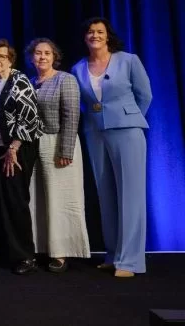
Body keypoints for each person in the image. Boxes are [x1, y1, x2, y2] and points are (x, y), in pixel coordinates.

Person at [71, 17, 152, 278]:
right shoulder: (78, 68)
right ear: (85, 37)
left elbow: (145, 95)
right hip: (95, 133)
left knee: (130, 196)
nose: (95, 35)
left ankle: (130, 261)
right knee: (105, 194)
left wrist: (129, 118)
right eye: (90, 32)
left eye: (100, 31)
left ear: (108, 36)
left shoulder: (128, 60)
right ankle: (114, 255)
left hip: (127, 131)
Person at [26, 38, 90, 273]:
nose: (42, 57)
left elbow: (71, 116)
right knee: (36, 199)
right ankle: (41, 248)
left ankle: (61, 252)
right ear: (32, 58)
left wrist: (65, 149)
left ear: (54, 57)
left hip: (58, 143)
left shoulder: (65, 79)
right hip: (34, 144)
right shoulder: (29, 82)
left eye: (47, 53)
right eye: (38, 53)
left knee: (60, 199)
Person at [0, 39, 44, 275]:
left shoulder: (20, 81)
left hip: (15, 149)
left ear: (11, 60)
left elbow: (30, 117)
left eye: (2, 56)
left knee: (15, 201)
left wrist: (13, 148)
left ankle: (25, 256)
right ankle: (5, 251)